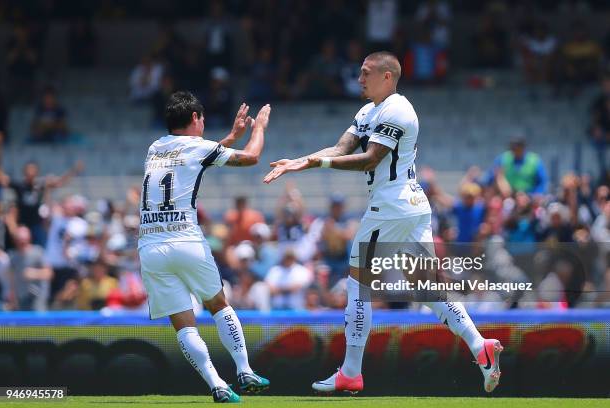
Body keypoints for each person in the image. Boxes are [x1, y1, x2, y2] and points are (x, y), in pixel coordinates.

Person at [264, 51, 502, 394]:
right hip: (412, 207)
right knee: (426, 288)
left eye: (365, 73)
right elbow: (340, 147)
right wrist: (302, 161)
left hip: (391, 205)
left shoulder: (398, 110)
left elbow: (369, 159)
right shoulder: (367, 111)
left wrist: (316, 165)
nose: (359, 79)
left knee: (358, 281)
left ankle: (350, 372)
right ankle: (480, 346)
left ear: (387, 76)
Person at [137, 91, 271, 403]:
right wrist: (258, 129)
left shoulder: (155, 148)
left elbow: (194, 158)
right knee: (218, 304)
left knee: (182, 322)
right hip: (186, 239)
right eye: (203, 119)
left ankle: (217, 385)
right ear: (196, 118)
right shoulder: (198, 147)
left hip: (151, 246)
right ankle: (244, 369)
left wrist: (229, 137)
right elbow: (250, 158)